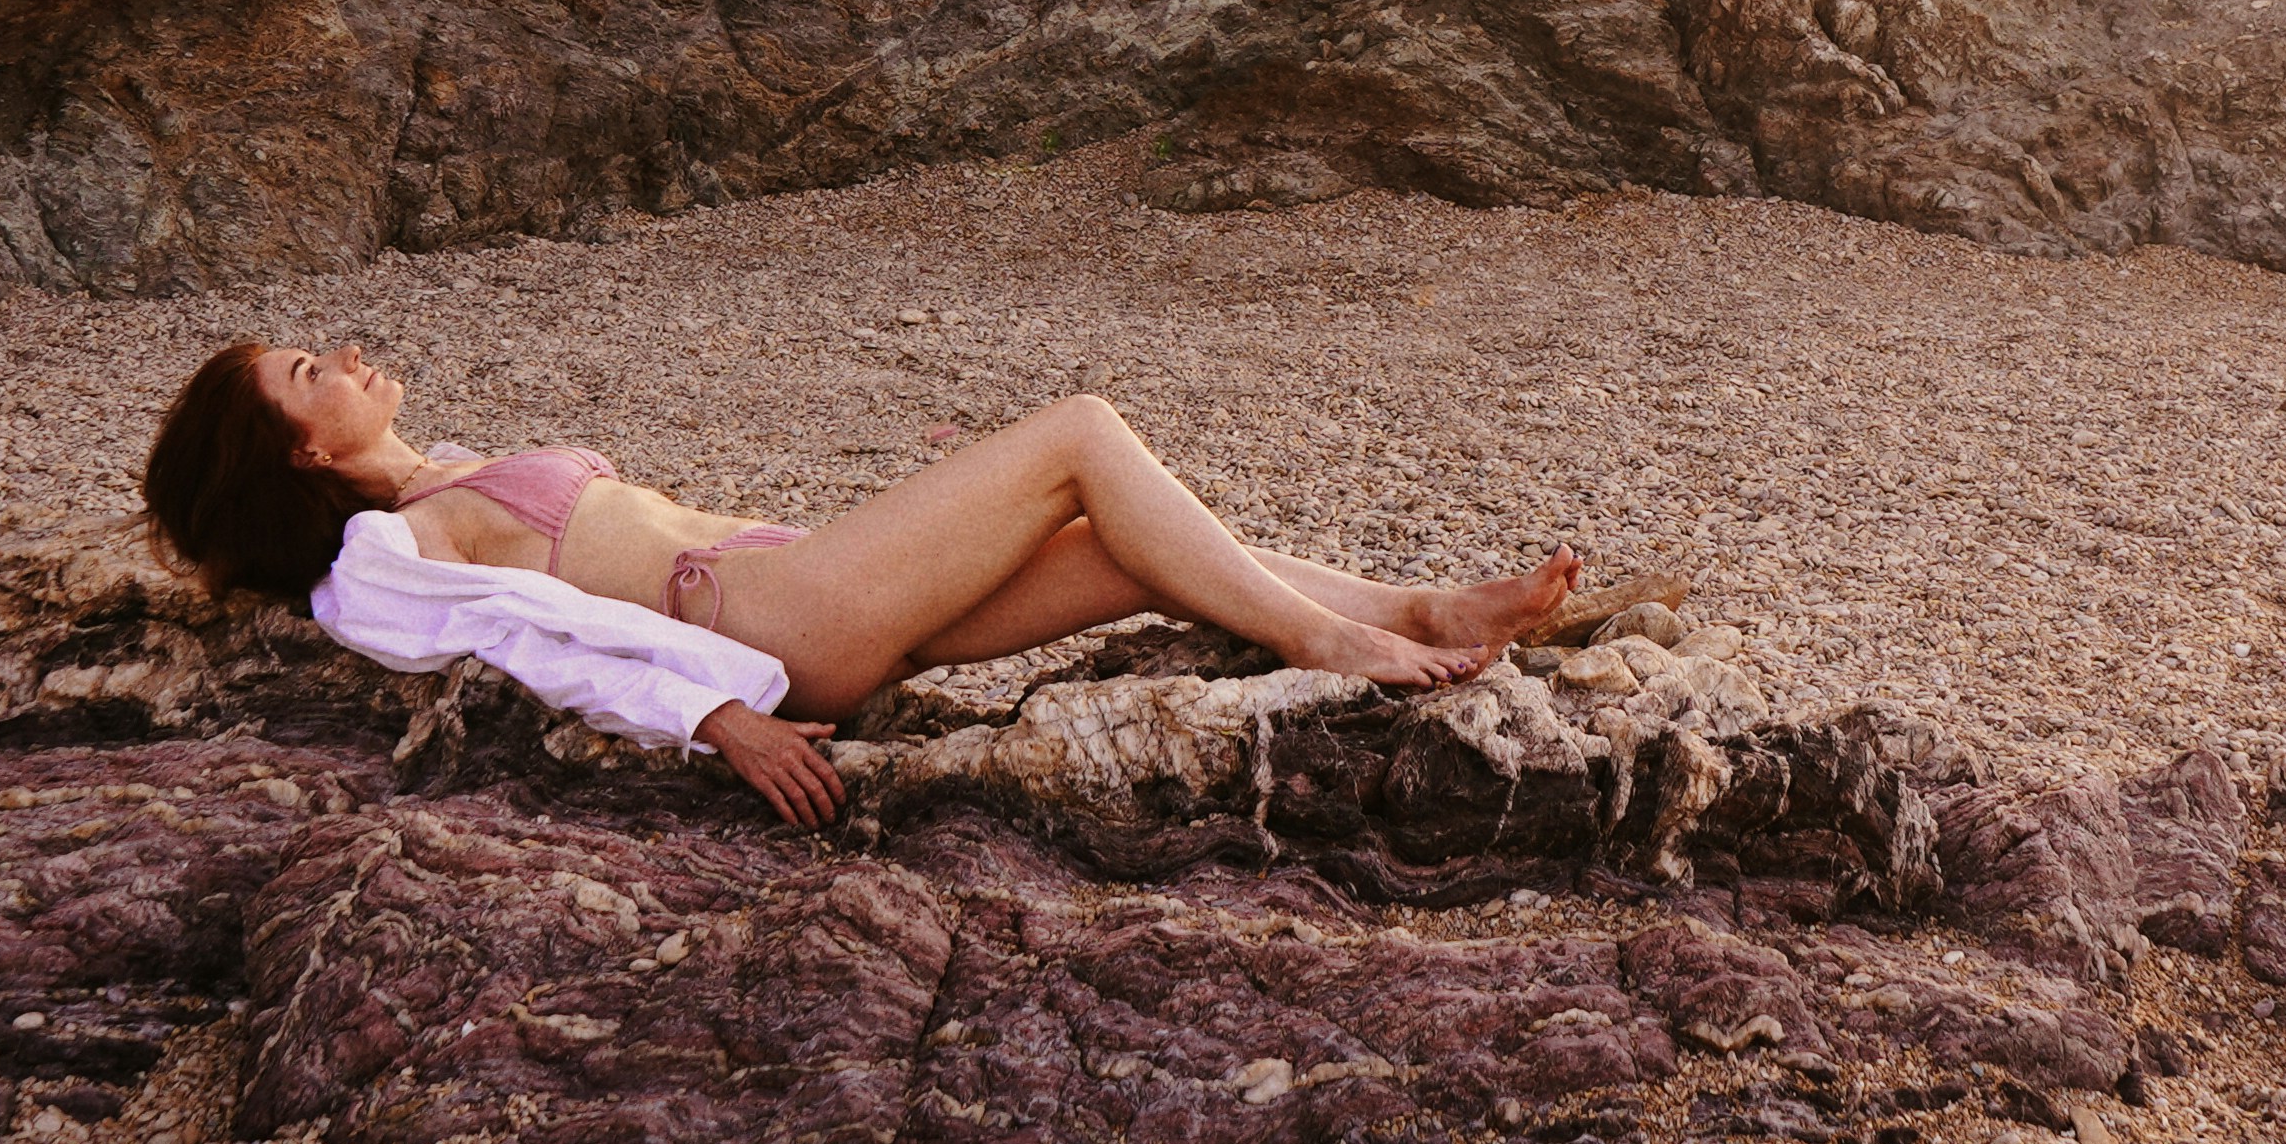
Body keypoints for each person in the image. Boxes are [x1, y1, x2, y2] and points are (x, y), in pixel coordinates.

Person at [139, 339, 1582, 827]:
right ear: (302, 449)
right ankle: (1336, 635)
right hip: (776, 620)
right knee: (1080, 434)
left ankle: (1423, 610)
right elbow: (534, 646)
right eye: (305, 376)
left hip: (796, 586)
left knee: (1113, 557)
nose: (339, 359)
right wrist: (718, 720)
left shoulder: (443, 477)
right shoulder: (381, 565)